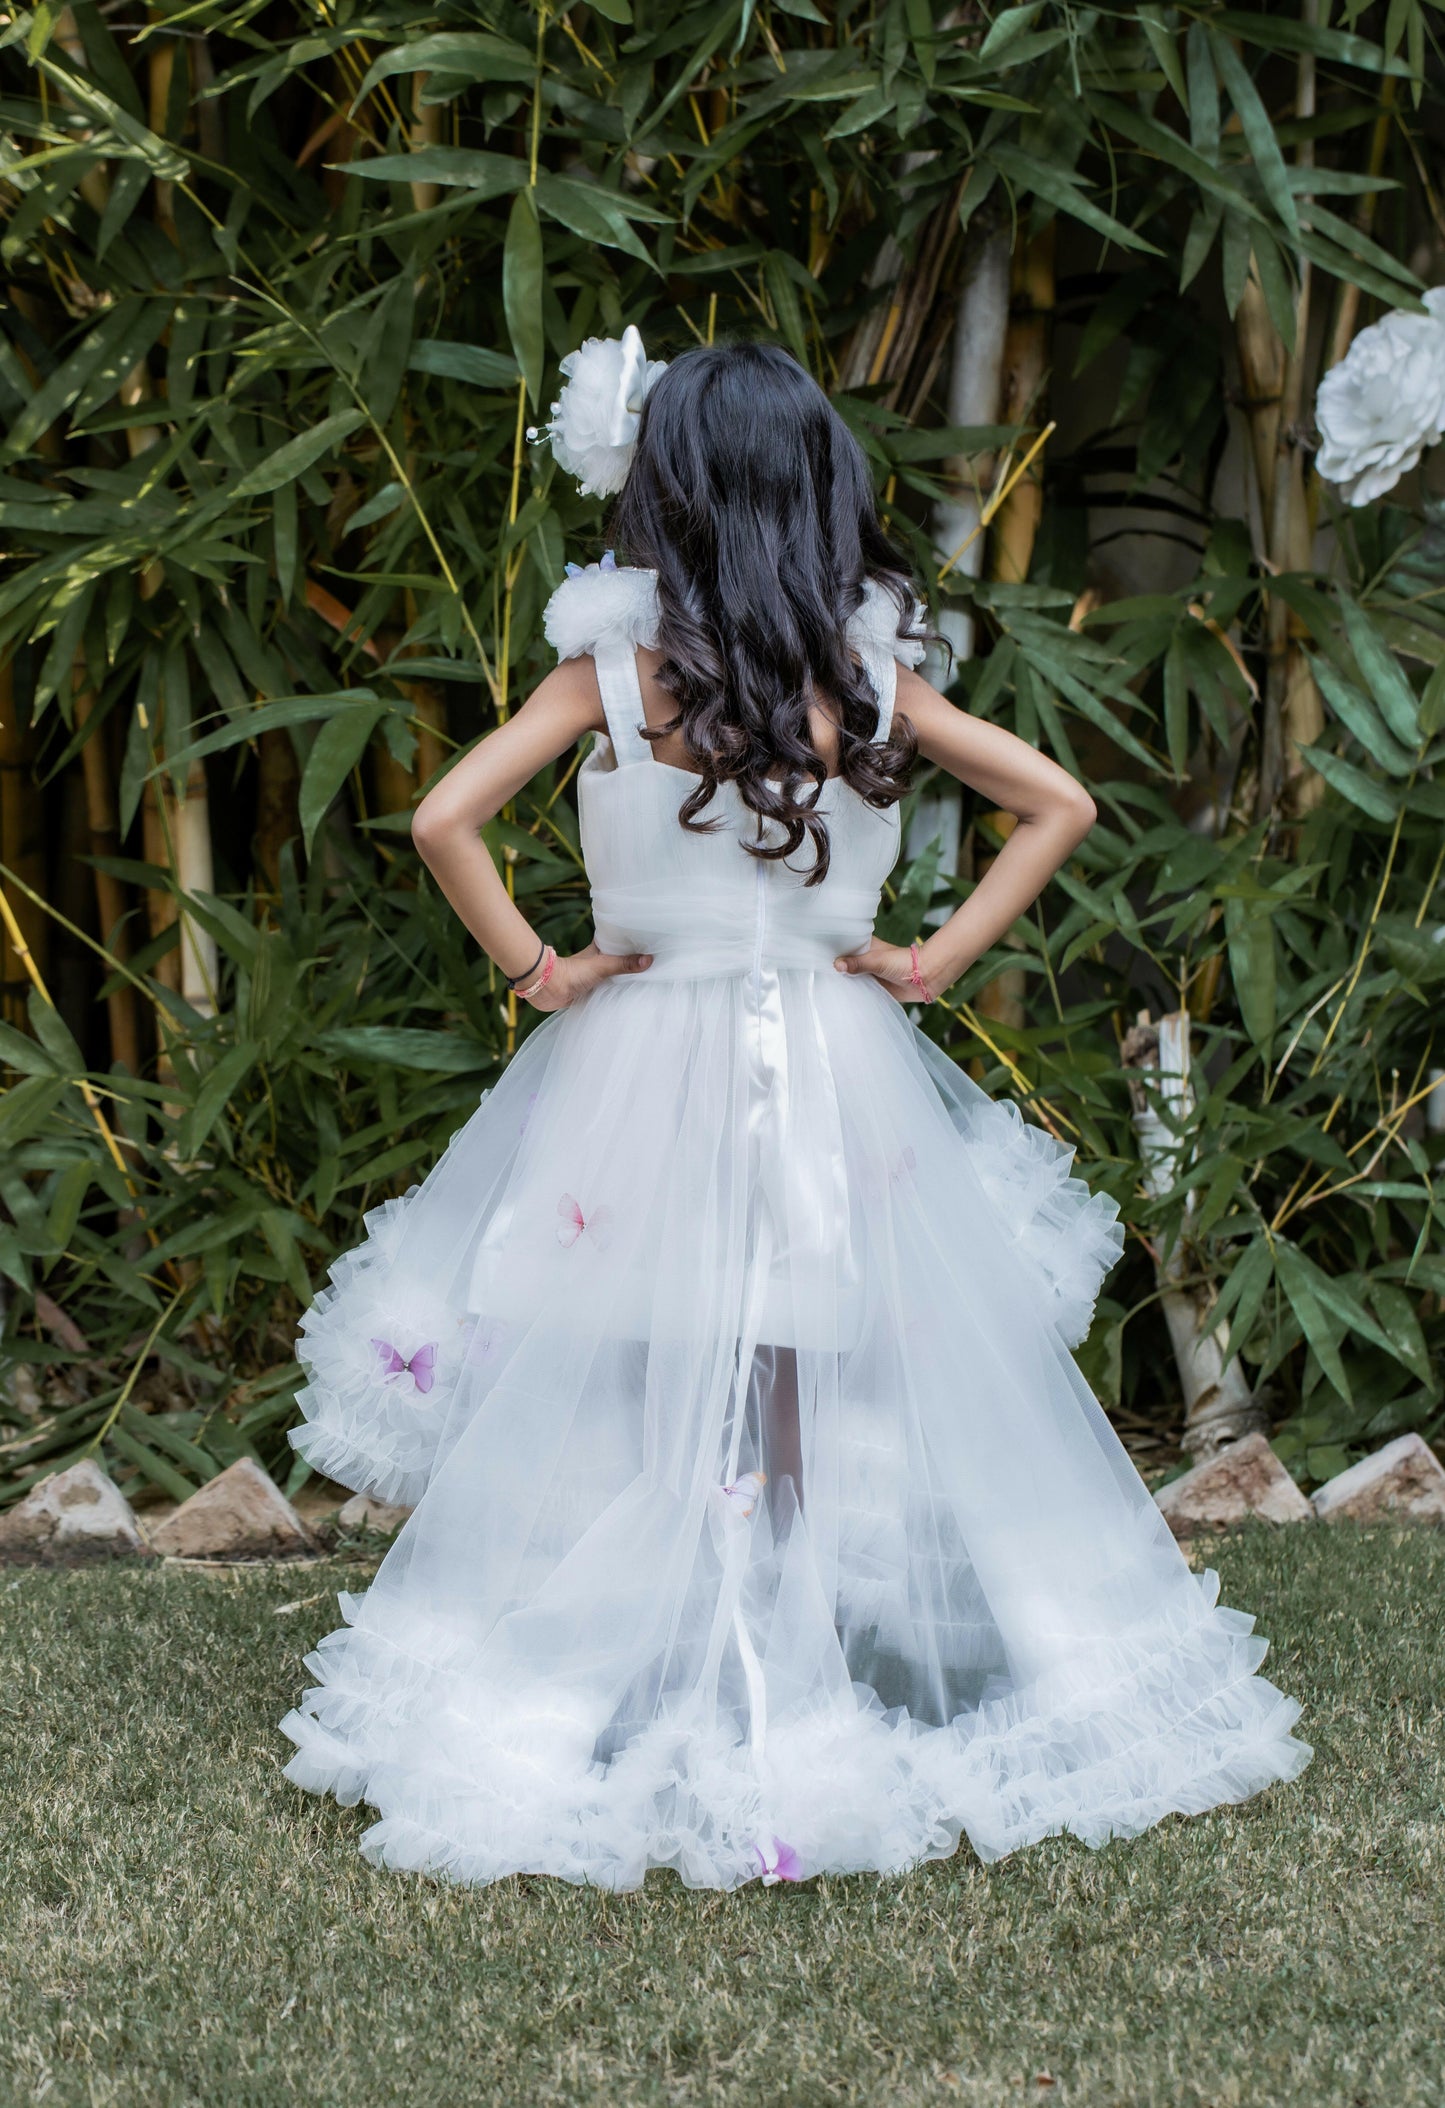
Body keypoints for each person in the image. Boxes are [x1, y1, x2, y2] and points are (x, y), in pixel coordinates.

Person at [280, 336, 1309, 1889]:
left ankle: (663, 1650)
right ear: (822, 493)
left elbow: (442, 818)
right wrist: (927, 958)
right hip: (833, 1058)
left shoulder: (611, 680)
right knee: (786, 1365)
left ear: (663, 492)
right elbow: (1064, 802)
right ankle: (784, 1645)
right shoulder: (864, 683)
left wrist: (545, 972)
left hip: (636, 1058)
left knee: (647, 1363)